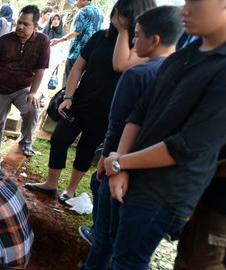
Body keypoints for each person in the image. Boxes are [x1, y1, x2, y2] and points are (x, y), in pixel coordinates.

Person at [101, 0, 226, 267]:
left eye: (194, 3)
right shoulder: (184, 54)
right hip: (134, 175)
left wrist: (120, 162)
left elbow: (187, 146)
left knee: (127, 261)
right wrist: (120, 162)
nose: (184, 11)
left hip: (164, 190)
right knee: (121, 253)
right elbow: (140, 111)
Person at [78, 6, 183, 269]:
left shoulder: (137, 74)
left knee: (105, 237)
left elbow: (118, 124)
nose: (134, 42)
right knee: (128, 248)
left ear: (154, 40)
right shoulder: (183, 74)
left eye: (137, 35)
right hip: (152, 176)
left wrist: (107, 161)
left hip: (121, 165)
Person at [24, 0, 155, 203]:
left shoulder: (140, 47)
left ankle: (70, 189)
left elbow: (121, 66)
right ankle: (51, 184)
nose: (116, 16)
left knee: (87, 148)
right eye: (116, 11)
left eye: (123, 14)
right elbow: (77, 68)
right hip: (80, 101)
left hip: (108, 110)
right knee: (59, 139)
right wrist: (68, 96)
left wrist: (123, 33)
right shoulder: (99, 37)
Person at [0, 5, 49, 162]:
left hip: (23, 87)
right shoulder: (4, 40)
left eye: (26, 24)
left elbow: (41, 68)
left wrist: (33, 92)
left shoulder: (42, 41)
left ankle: (25, 143)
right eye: (19, 22)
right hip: (0, 88)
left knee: (32, 109)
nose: (20, 27)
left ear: (35, 26)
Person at [50, 0, 102, 88]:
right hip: (91, 53)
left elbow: (76, 31)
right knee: (81, 83)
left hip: (77, 53)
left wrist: (58, 40)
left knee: (68, 81)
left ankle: (63, 100)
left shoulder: (83, 11)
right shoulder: (99, 13)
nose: (75, 2)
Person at [41, 13, 65, 93]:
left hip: (54, 60)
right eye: (54, 19)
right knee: (40, 76)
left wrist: (60, 60)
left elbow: (62, 48)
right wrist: (50, 29)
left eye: (58, 19)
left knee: (46, 78)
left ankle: (41, 96)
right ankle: (40, 95)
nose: (56, 21)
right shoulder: (46, 29)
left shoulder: (62, 33)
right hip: (43, 58)